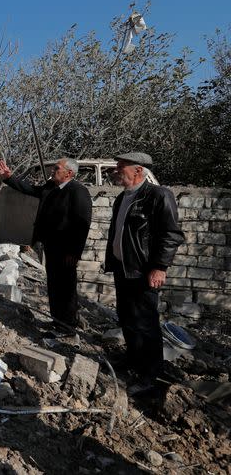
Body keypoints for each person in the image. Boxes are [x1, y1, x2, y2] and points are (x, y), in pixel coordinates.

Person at [104, 152, 184, 394]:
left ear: (138, 170)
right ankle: (132, 359)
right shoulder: (122, 198)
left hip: (143, 271)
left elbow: (171, 234)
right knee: (127, 316)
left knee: (146, 322)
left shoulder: (158, 195)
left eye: (121, 167)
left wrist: (160, 267)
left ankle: (151, 375)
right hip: (123, 268)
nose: (117, 170)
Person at [0, 158, 92, 334]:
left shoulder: (78, 191)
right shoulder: (51, 189)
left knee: (66, 287)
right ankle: (58, 321)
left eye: (57, 168)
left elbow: (82, 224)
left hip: (66, 250)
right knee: (54, 286)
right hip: (51, 246)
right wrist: (9, 178)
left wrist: (74, 251)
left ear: (69, 173)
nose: (52, 171)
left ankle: (68, 326)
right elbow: (30, 190)